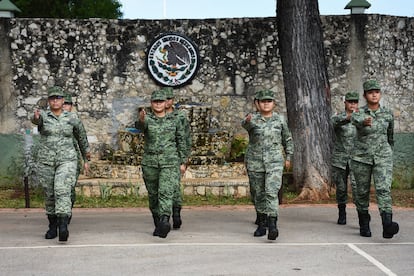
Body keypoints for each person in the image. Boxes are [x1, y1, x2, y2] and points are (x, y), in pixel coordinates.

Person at [31, 86, 90, 242]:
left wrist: (86, 158)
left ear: (63, 100)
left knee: (62, 189)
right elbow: (35, 120)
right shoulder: (43, 116)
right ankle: (52, 226)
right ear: (48, 101)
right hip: (46, 161)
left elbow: (82, 138)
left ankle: (63, 226)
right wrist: (36, 117)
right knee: (50, 194)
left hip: (67, 160)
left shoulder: (72, 118)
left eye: (58, 98)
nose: (55, 101)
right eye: (52, 98)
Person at [135, 89, 188, 238]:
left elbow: (181, 140)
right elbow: (139, 127)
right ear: (151, 104)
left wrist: (183, 161)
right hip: (150, 163)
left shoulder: (175, 119)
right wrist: (141, 120)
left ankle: (165, 220)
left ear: (166, 103)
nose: (158, 104)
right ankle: (158, 221)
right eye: (155, 101)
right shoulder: (147, 119)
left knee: (165, 192)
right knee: (153, 195)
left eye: (161, 101)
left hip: (169, 162)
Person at [241, 89, 293, 240]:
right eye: (263, 101)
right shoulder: (252, 119)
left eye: (269, 101)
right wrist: (248, 120)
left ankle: (272, 225)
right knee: (258, 193)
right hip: (255, 162)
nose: (266, 104)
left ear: (274, 103)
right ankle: (261, 221)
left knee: (271, 192)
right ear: (257, 103)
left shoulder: (280, 120)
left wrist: (289, 156)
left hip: (275, 162)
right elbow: (245, 124)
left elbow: (287, 139)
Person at [351, 80, 399, 238]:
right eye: (370, 92)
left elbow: (390, 136)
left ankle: (387, 225)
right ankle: (364, 223)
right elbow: (355, 121)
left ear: (380, 94)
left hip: (382, 158)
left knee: (383, 189)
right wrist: (364, 122)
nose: (374, 94)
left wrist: (388, 153)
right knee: (362, 192)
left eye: (376, 91)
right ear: (365, 95)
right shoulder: (359, 113)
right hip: (361, 158)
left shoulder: (387, 113)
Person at [163, 87, 192, 230]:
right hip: (162, 158)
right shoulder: (156, 116)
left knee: (174, 187)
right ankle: (165, 217)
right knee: (164, 188)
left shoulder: (180, 116)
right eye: (164, 99)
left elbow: (185, 138)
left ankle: (176, 213)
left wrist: (184, 160)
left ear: (172, 100)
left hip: (176, 157)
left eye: (169, 99)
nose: (166, 102)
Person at [62, 93, 91, 224]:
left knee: (68, 188)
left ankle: (66, 212)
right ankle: (59, 215)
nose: (64, 106)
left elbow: (82, 140)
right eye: (63, 103)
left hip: (72, 159)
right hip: (54, 159)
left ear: (71, 106)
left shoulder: (74, 120)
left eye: (67, 104)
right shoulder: (51, 119)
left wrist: (86, 160)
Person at [331, 91, 359, 225]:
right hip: (340, 159)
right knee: (341, 189)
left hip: (357, 159)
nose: (353, 104)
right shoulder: (338, 117)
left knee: (359, 189)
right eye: (350, 102)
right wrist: (347, 118)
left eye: (355, 102)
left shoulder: (362, 117)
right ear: (345, 103)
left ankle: (362, 217)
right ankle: (342, 213)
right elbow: (333, 123)